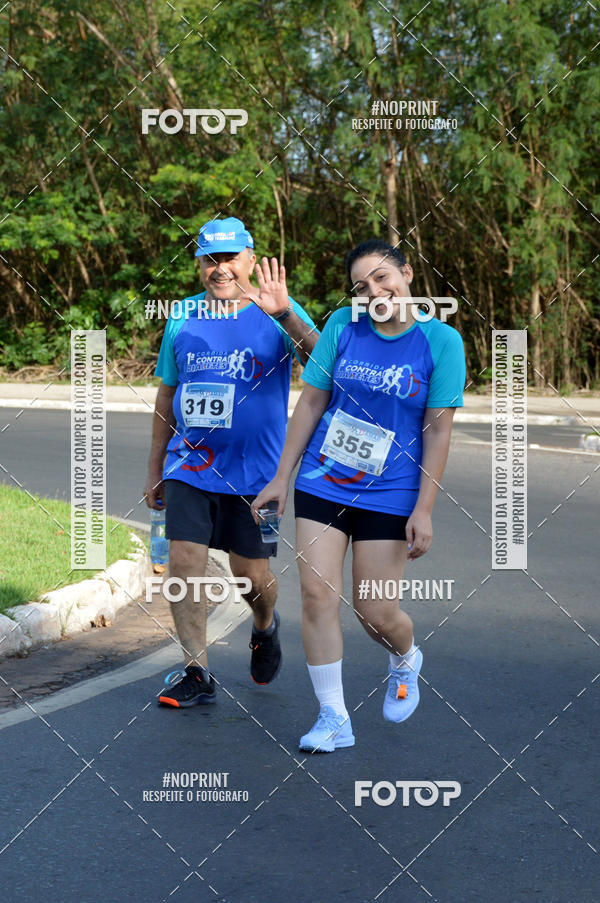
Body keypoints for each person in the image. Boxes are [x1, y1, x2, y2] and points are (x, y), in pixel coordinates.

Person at [252, 239, 466, 751]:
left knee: (375, 612)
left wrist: (424, 509)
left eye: (383, 277)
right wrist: (282, 477)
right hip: (323, 481)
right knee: (316, 595)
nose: (374, 291)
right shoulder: (342, 329)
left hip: (391, 491)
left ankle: (405, 656)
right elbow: (310, 405)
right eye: (362, 285)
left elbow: (438, 431)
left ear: (407, 273)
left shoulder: (441, 343)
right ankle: (333, 718)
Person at [144, 216, 318, 707]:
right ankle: (196, 671)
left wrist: (285, 315)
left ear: (250, 258)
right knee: (183, 562)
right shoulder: (182, 315)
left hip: (257, 474)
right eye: (210, 259)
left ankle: (264, 625)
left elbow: (325, 367)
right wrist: (155, 468)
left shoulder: (277, 309)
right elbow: (166, 394)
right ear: (199, 263)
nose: (220, 268)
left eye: (229, 258)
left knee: (252, 577)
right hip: (190, 465)